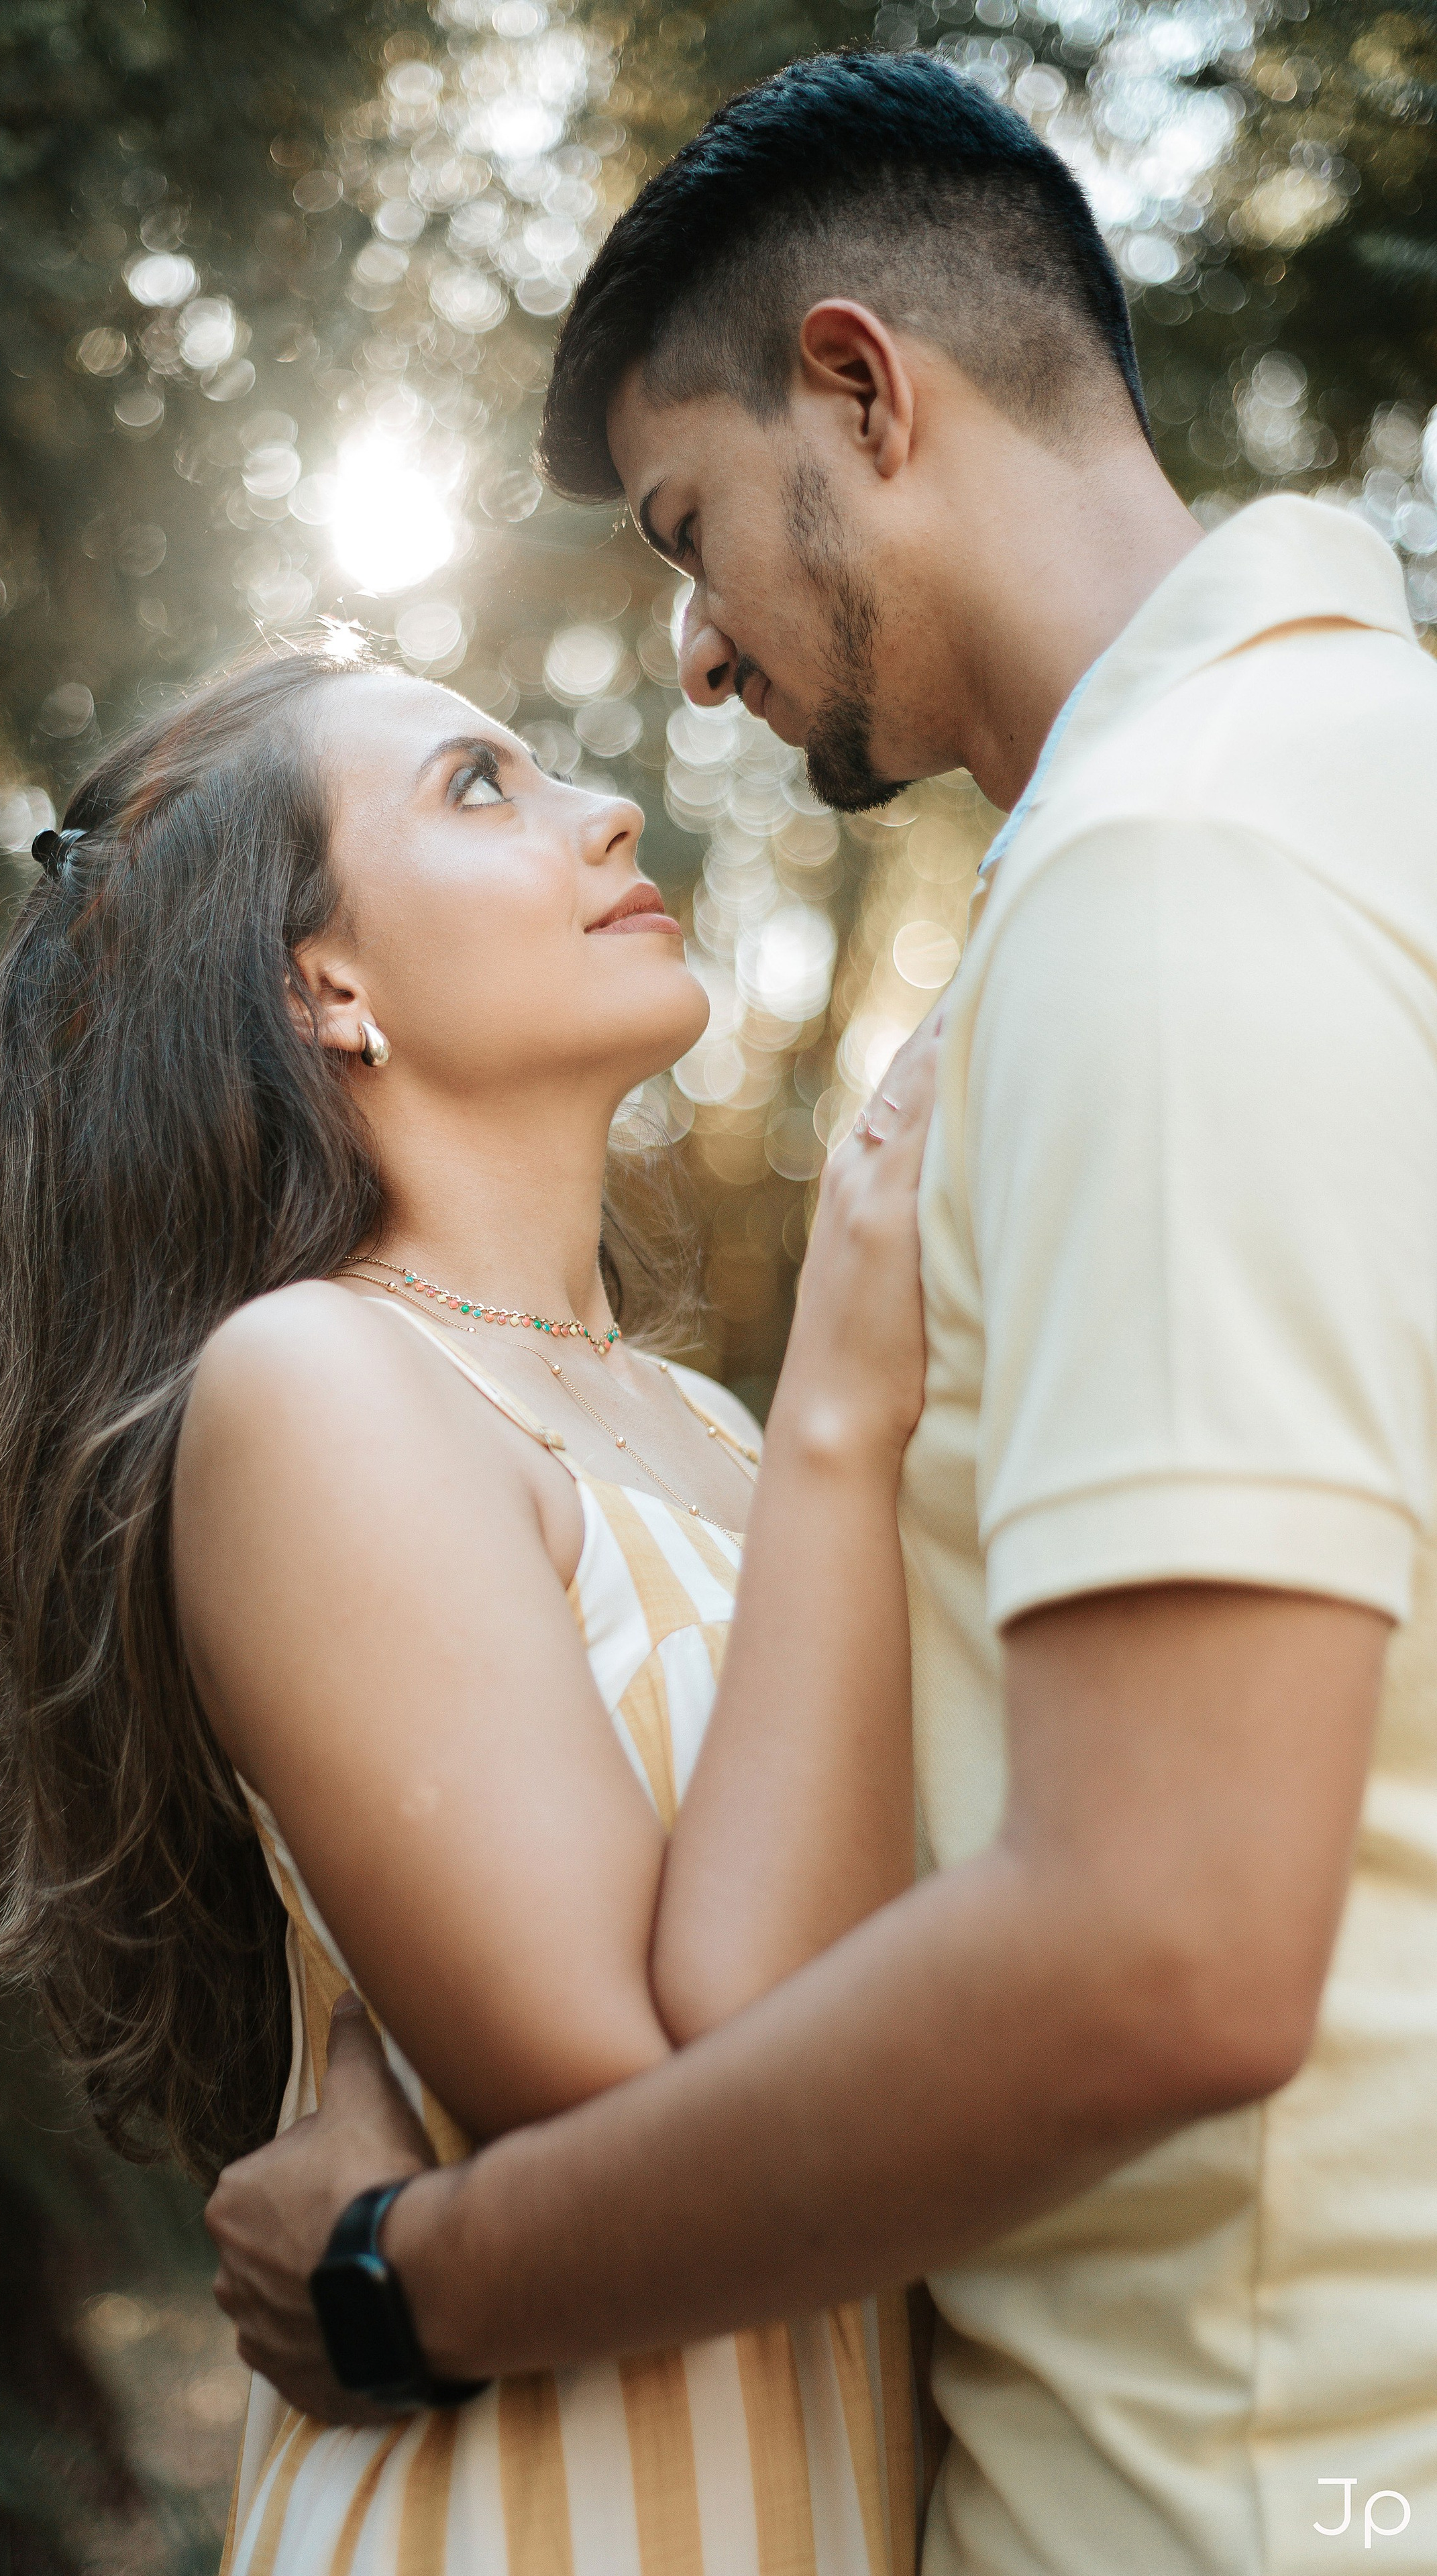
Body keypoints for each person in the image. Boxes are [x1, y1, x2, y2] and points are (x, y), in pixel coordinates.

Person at [204, 50, 1437, 2576]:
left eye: (686, 532)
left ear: (863, 394)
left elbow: (1162, 1940)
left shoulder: (1174, 877)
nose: (682, 678)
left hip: (1226, 2483)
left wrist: (408, 2279)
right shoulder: (1355, 788)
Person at [0, 635, 954, 2574]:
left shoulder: (711, 1422)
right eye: (481, 787)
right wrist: (853, 1387)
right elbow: (632, 2103)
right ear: (324, 985)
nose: (606, 809)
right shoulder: (317, 1383)